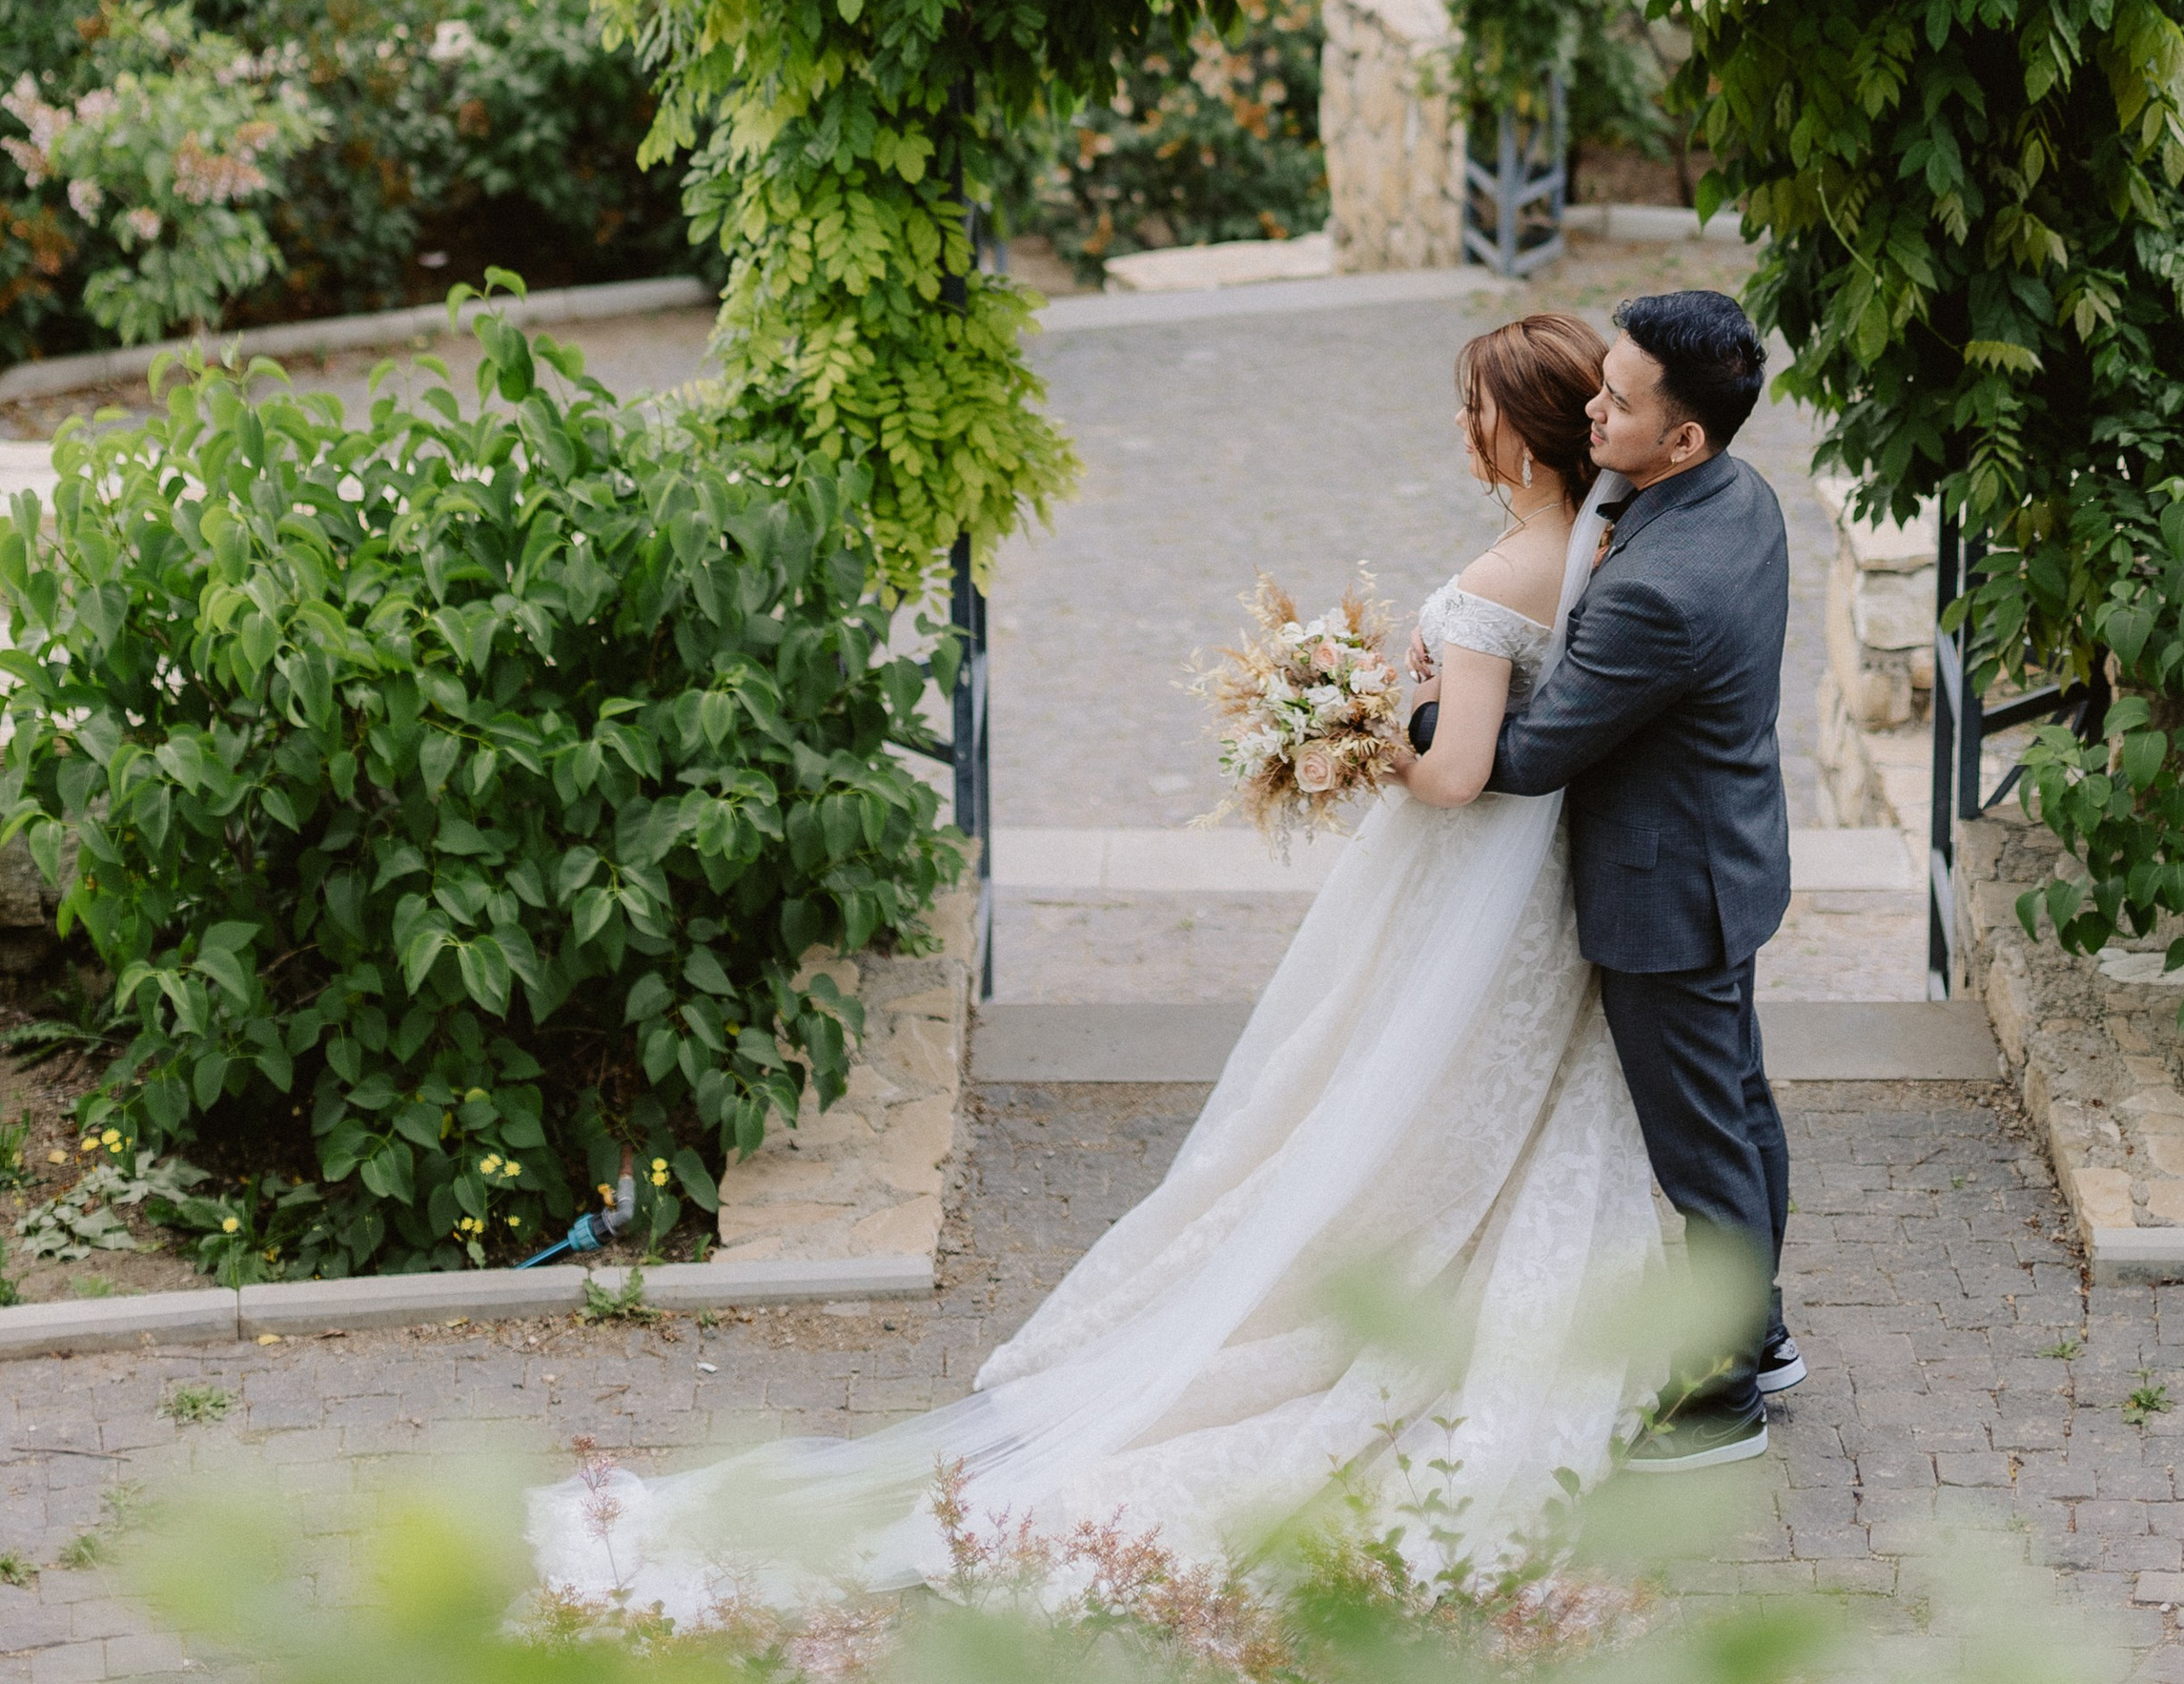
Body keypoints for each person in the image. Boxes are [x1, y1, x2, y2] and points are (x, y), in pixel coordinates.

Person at [532, 310, 1669, 1621]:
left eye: (1473, 409)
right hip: (1538, 894)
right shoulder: (1600, 551)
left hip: (1462, 874)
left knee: (1370, 1091)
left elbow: (1461, 772)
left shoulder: (1502, 579)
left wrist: (1368, 736)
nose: (1461, 431)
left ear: (1510, 434)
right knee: (1473, 1095)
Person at [1405, 289, 1790, 1469]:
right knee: (1739, 1108)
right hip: (1726, 850)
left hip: (1663, 891)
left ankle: (1725, 1393)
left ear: (1685, 435)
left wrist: (1416, 705)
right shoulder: (1738, 496)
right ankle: (1764, 1334)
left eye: (1616, 403)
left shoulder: (1657, 595)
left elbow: (1522, 755)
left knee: (1702, 1148)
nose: (1590, 409)